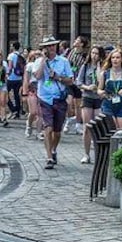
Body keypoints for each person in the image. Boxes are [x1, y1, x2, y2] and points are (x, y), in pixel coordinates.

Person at [34, 35, 73, 170]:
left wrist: (58, 77)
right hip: (45, 98)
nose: (50, 48)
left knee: (57, 131)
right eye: (47, 46)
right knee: (48, 128)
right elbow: (37, 77)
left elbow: (70, 80)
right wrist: (43, 61)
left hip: (59, 98)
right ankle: (49, 156)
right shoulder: (39, 61)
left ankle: (53, 149)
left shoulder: (63, 61)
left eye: (52, 45)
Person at [76, 45, 105, 163]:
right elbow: (78, 82)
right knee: (87, 126)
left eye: (97, 54)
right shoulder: (85, 66)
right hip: (87, 97)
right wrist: (87, 87)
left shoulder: (103, 68)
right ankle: (86, 154)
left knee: (98, 126)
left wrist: (99, 69)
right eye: (93, 53)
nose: (94, 56)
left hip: (99, 99)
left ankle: (99, 153)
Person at [97, 48, 122, 130]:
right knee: (111, 128)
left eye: (117, 58)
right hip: (108, 103)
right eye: (113, 58)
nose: (115, 60)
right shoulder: (105, 73)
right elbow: (99, 90)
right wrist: (101, 92)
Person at [65, 35, 88, 134]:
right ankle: (68, 120)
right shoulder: (70, 52)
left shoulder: (84, 55)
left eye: (77, 40)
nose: (75, 41)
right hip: (70, 81)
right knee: (69, 102)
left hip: (78, 82)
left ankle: (78, 125)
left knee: (78, 105)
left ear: (81, 44)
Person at [22, 49, 43, 139]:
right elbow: (26, 79)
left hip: (42, 90)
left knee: (40, 113)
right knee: (33, 111)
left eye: (39, 54)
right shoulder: (30, 65)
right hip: (32, 89)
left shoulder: (44, 65)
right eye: (35, 55)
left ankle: (39, 131)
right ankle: (29, 125)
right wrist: (24, 92)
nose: (37, 56)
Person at [5, 41, 24, 120]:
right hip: (19, 78)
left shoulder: (11, 55)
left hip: (11, 78)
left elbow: (10, 67)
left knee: (5, 93)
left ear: (13, 47)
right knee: (17, 96)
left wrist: (7, 74)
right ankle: (17, 112)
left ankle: (13, 109)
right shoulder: (21, 55)